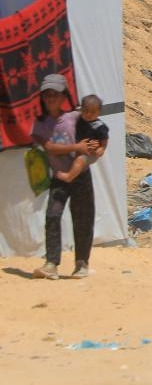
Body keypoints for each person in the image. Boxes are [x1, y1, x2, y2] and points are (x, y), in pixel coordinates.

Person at [31, 75, 100, 280]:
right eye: (47, 95)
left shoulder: (76, 118)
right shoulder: (41, 123)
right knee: (52, 217)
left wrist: (97, 146)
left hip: (81, 177)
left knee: (83, 219)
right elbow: (49, 147)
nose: (50, 98)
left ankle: (81, 263)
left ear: (63, 96)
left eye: (55, 94)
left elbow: (94, 134)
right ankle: (52, 263)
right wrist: (76, 147)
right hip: (60, 178)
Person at [59, 95, 110, 184]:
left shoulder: (99, 126)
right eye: (86, 111)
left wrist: (101, 148)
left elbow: (104, 140)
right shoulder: (79, 118)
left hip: (91, 152)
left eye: (93, 112)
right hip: (79, 148)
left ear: (98, 113)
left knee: (80, 160)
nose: (88, 114)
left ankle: (69, 177)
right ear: (81, 109)